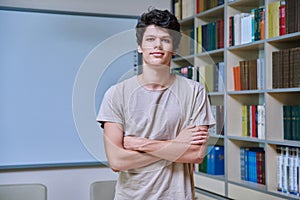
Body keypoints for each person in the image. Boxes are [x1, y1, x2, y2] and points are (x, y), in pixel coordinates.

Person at [97, 8, 215, 200]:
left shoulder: (195, 92)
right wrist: (176, 146)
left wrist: (140, 144)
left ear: (175, 48)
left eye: (165, 40)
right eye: (150, 39)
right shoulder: (116, 94)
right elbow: (117, 161)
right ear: (140, 46)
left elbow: (195, 154)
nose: (157, 45)